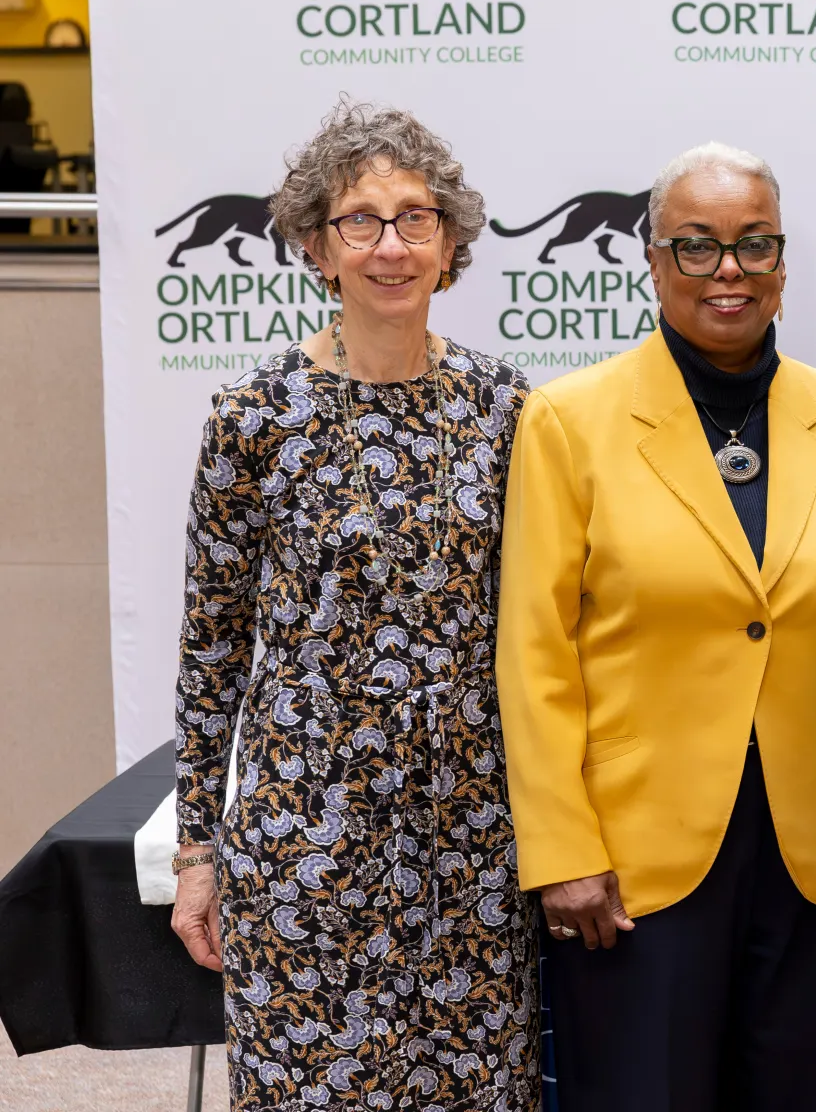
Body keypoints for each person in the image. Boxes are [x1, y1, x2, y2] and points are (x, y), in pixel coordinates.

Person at [496, 142, 816, 1111]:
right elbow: (534, 655)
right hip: (632, 869)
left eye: (752, 244)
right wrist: (562, 849)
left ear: (782, 261)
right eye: (696, 246)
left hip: (809, 856)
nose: (727, 270)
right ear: (652, 261)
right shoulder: (568, 421)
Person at [170, 100, 538, 1111]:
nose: (391, 245)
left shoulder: (506, 409)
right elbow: (213, 648)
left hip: (471, 850)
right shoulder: (255, 417)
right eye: (360, 221)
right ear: (315, 245)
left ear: (450, 240)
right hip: (306, 848)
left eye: (416, 217)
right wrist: (199, 850)